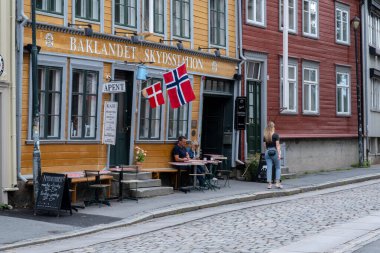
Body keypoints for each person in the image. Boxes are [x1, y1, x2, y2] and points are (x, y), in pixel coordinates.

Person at [263, 121, 282, 189]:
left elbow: (264, 146)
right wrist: (279, 154)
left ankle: (269, 184)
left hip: (267, 152)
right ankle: (277, 183)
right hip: (274, 152)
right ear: (273, 127)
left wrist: (266, 152)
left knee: (269, 168)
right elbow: (278, 146)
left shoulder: (265, 136)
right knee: (277, 167)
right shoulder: (276, 135)